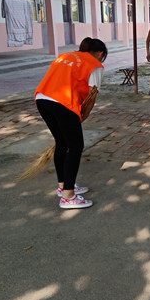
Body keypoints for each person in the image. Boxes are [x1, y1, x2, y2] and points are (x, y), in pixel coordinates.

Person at [35, 37, 108, 209]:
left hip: (42, 99)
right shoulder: (94, 64)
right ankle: (68, 196)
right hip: (63, 103)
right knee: (75, 146)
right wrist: (82, 117)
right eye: (102, 56)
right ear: (100, 53)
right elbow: (91, 96)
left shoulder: (65, 56)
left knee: (61, 143)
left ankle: (64, 186)